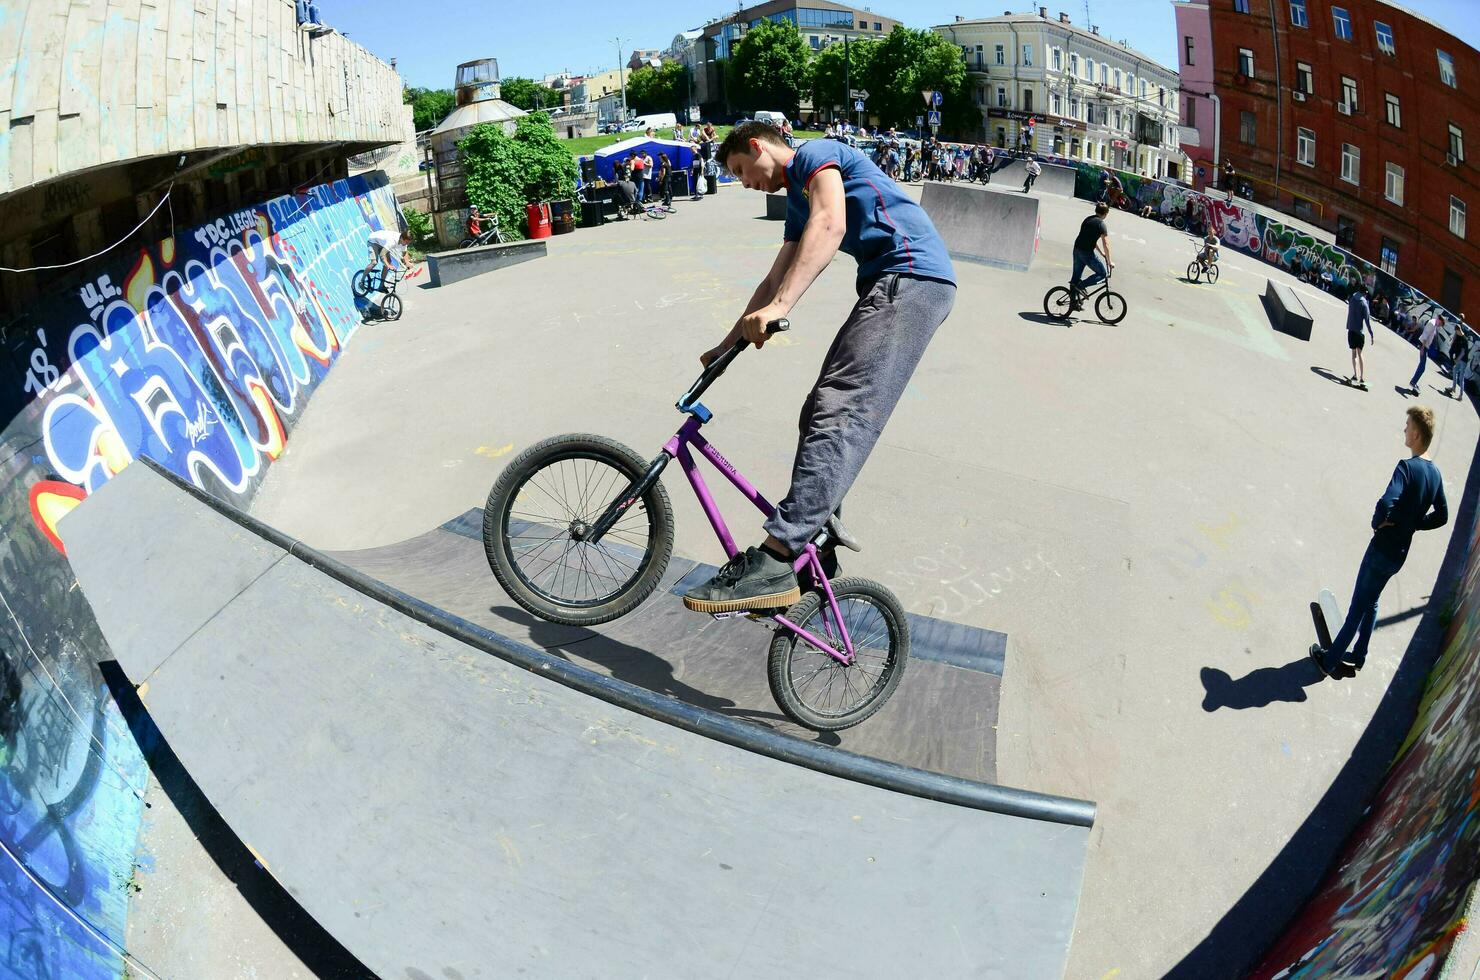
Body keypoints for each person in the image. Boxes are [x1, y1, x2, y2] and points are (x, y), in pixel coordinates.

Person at [679, 122, 957, 613]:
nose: (746, 184)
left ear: (758, 146)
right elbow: (775, 277)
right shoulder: (797, 201)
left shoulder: (818, 155)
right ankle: (817, 539)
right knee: (816, 411)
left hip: (911, 277)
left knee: (841, 409)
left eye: (743, 170)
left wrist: (783, 306)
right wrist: (724, 346)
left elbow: (831, 224)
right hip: (893, 282)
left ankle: (779, 554)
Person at [1311, 406, 1447, 677]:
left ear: (1417, 433)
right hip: (1398, 555)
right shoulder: (1435, 475)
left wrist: (1378, 522)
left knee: (1357, 607)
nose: (1404, 429)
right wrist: (1415, 524)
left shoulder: (1407, 468)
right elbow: (1442, 516)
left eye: (1407, 425)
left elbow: (1386, 501)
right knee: (1371, 602)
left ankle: (1329, 661)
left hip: (1381, 549)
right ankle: (1359, 655)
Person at [1070, 203, 1113, 310]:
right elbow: (1106, 244)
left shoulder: (1088, 219)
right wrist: (1109, 261)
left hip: (1077, 250)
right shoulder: (1101, 224)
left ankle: (1073, 303)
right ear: (1106, 214)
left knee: (1075, 277)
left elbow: (1091, 240)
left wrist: (1102, 253)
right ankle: (1080, 287)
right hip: (1086, 253)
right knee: (1103, 273)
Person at [1344, 284, 1376, 386]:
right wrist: (1371, 334)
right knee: (1360, 353)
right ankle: (1362, 378)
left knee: (1353, 353)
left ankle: (1355, 375)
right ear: (1364, 293)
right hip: (1359, 332)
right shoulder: (1364, 303)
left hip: (1351, 329)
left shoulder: (1352, 298)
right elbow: (1367, 321)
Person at [1408, 312, 1444, 393]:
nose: (1440, 326)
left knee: (1421, 365)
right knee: (1422, 367)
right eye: (1440, 324)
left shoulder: (1434, 324)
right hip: (1423, 345)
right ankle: (1413, 382)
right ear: (1439, 320)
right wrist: (1422, 348)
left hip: (1425, 346)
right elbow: (1425, 335)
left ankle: (1414, 381)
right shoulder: (1432, 323)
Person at [1442, 318, 1472, 399]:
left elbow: (1463, 352)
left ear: (1458, 330)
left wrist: (1457, 359)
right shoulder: (1459, 337)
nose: (1456, 333)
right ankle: (1453, 388)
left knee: (1461, 377)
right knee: (1455, 370)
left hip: (1463, 361)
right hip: (1460, 360)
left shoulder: (1464, 340)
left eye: (1456, 332)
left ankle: (1461, 396)